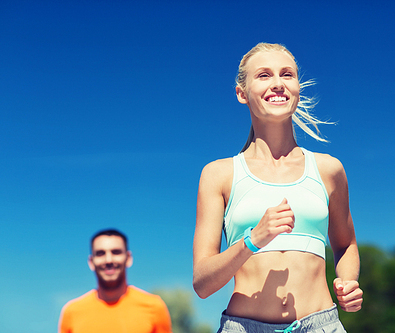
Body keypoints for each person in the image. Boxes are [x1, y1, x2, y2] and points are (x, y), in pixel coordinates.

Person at [193, 43, 363, 333]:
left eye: (287, 74)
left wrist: (349, 282)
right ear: (241, 93)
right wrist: (253, 239)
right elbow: (203, 284)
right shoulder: (218, 174)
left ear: (297, 86)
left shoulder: (329, 169)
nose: (278, 84)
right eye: (264, 75)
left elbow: (345, 244)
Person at [59, 229, 172, 333]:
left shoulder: (154, 307)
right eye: (100, 253)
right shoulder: (71, 312)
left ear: (128, 258)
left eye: (116, 252)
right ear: (91, 262)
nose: (108, 260)